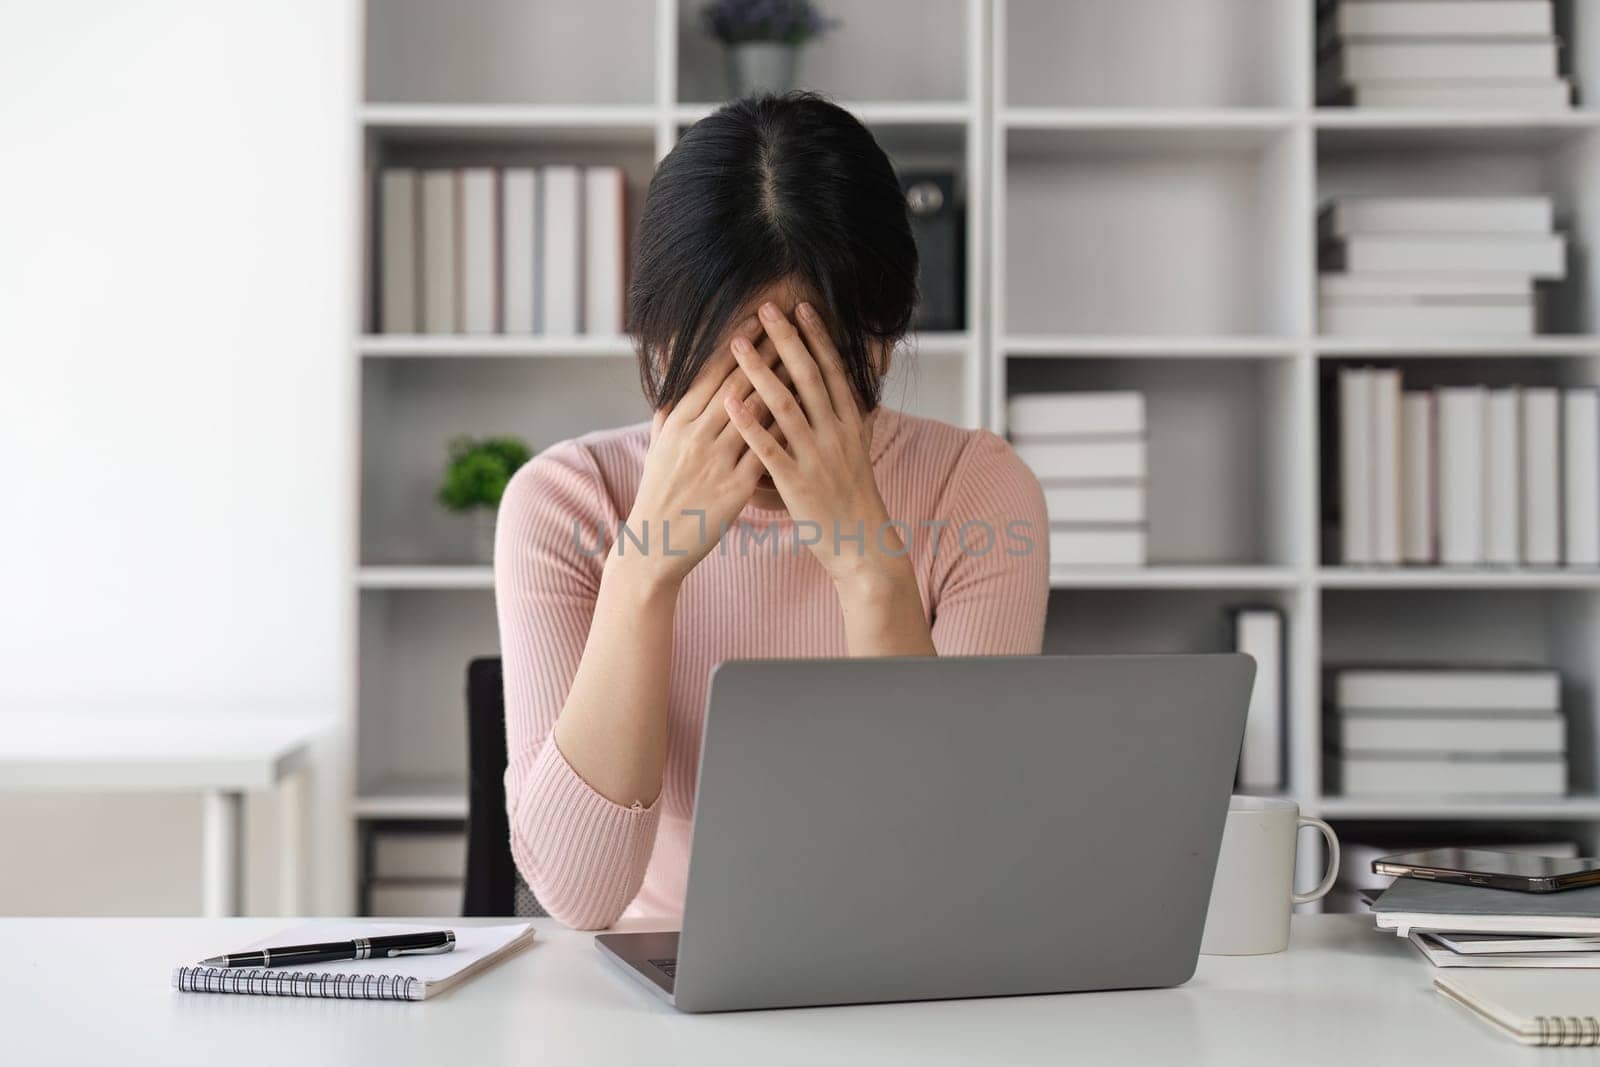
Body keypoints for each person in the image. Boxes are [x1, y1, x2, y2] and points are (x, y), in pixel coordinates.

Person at [494, 93, 1049, 930]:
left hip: (892, 978)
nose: (761, 424)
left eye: (805, 379)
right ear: (655, 340)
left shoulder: (979, 491)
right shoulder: (564, 503)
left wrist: (869, 566)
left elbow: (947, 870)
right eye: (726, 378)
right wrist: (644, 570)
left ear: (886, 338)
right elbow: (580, 895)